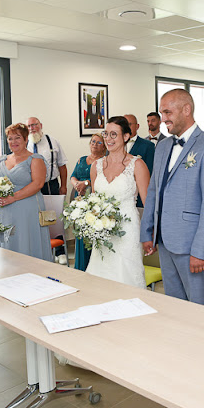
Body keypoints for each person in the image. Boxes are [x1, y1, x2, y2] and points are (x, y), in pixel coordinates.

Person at [140, 89, 204, 307]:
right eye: (161, 113)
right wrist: (147, 231)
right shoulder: (162, 146)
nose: (163, 119)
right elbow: (153, 191)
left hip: (192, 245)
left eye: (167, 112)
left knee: (199, 309)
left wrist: (200, 250)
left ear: (186, 110)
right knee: (174, 307)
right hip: (165, 240)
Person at [85, 116, 150, 288]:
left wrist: (149, 235)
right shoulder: (96, 166)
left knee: (125, 276)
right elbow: (94, 202)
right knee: (101, 275)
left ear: (126, 136)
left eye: (114, 134)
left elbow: (148, 204)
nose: (108, 139)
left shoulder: (137, 165)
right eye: (106, 134)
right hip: (102, 231)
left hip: (127, 230)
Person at [0, 123, 53, 261]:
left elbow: (38, 184)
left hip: (27, 210)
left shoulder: (35, 159)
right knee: (6, 242)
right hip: (3, 210)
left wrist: (13, 197)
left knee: (26, 241)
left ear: (26, 139)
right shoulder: (2, 160)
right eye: (10, 138)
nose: (13, 142)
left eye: (17, 138)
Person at [69, 133, 106, 271]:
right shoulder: (82, 160)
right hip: (80, 199)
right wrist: (77, 183)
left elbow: (103, 178)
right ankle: (81, 266)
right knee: (80, 232)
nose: (94, 144)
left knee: (93, 233)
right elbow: (73, 175)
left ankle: (93, 266)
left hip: (95, 199)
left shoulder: (105, 161)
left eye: (98, 142)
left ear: (104, 147)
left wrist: (86, 183)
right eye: (92, 141)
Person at [25, 117, 68, 196]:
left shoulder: (53, 141)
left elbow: (62, 165)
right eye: (29, 126)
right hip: (30, 186)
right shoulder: (24, 144)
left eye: (34, 125)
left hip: (51, 185)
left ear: (41, 125)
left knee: (53, 208)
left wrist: (63, 186)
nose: (32, 128)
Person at [124, 114, 155, 207]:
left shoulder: (148, 146)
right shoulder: (114, 146)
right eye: (124, 125)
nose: (126, 127)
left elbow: (150, 172)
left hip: (139, 199)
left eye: (129, 124)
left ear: (137, 126)